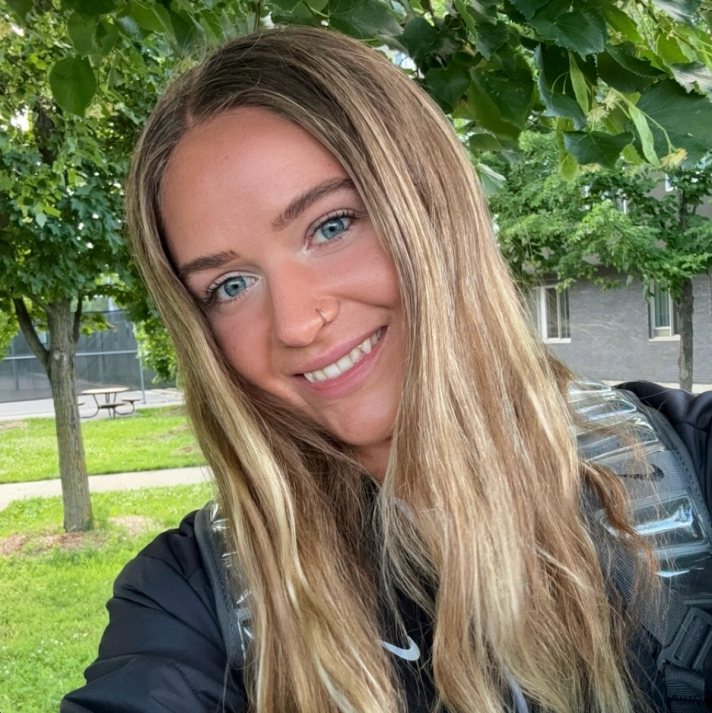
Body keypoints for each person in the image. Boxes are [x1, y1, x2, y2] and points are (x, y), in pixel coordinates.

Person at [61, 26, 712, 713]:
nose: (295, 322)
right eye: (230, 286)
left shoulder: (691, 469)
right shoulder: (191, 600)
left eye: (331, 226)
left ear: (433, 208)